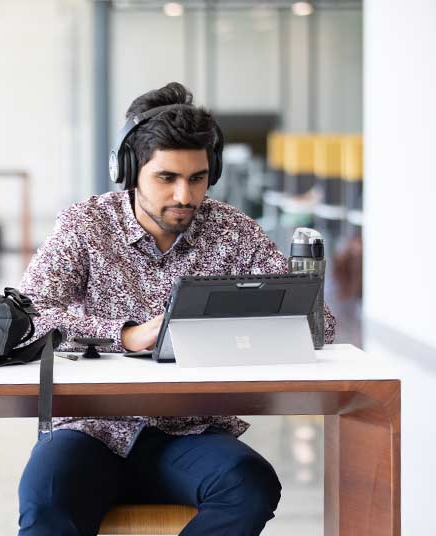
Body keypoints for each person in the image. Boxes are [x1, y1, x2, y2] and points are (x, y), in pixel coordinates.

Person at [17, 82, 336, 536]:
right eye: (166, 178)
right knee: (45, 498)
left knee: (249, 485)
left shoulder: (232, 230)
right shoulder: (86, 224)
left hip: (189, 433)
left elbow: (318, 325)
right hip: (90, 429)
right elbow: (30, 317)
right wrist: (125, 335)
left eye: (198, 178)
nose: (185, 196)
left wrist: (249, 316)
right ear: (130, 172)